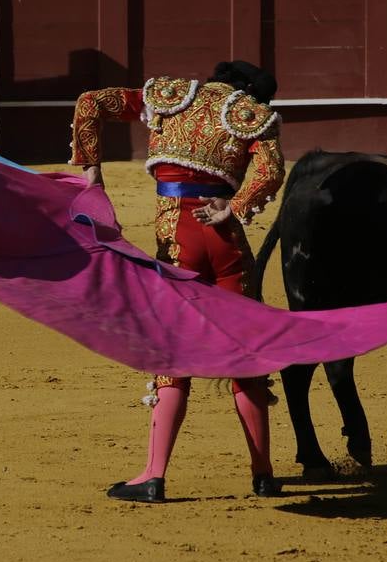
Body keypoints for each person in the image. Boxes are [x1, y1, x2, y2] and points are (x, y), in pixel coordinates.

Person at [70, 60, 286, 503]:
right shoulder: (252, 115)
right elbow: (271, 172)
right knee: (245, 356)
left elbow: (91, 102)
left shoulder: (171, 97)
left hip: (177, 238)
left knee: (171, 356)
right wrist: (235, 205)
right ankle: (263, 475)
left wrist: (91, 167)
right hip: (224, 240)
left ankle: (153, 475)